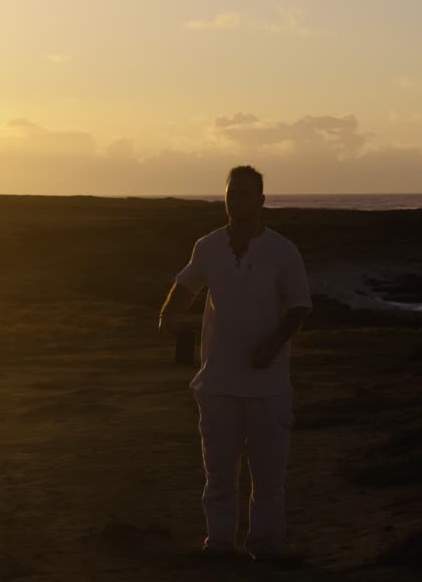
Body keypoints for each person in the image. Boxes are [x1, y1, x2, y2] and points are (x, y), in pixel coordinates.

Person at [157, 165, 312, 560]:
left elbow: (298, 306)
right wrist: (169, 315)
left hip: (268, 385)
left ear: (261, 200)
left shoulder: (283, 250)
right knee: (219, 473)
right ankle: (220, 544)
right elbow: (187, 284)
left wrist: (273, 345)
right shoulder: (208, 246)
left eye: (245, 194)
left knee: (269, 476)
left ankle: (265, 545)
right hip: (218, 381)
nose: (237, 200)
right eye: (232, 193)